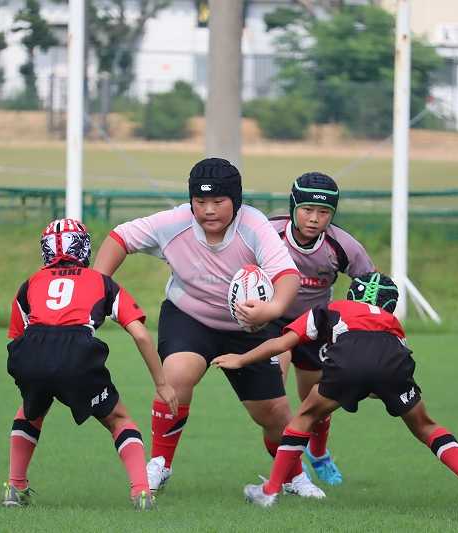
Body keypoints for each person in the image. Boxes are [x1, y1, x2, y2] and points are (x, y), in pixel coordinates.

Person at [93, 157, 324, 498]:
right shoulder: (175, 222)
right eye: (200, 201)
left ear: (236, 201)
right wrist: (97, 289)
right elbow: (120, 238)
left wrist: (272, 309)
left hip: (248, 327)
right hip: (189, 317)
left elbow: (287, 275)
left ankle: (293, 475)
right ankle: (160, 463)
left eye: (218, 201)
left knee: (274, 412)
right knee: (176, 375)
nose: (209, 210)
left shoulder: (254, 225)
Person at [212, 272, 458, 512]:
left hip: (348, 362)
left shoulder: (334, 308)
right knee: (426, 426)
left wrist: (241, 359)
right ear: (389, 304)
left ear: (352, 294)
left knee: (303, 419)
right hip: (393, 362)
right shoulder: (393, 322)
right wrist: (373, 388)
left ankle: (269, 491)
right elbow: (385, 367)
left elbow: (282, 343)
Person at [1, 218, 178, 511]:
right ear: (83, 248)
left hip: (30, 352)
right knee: (119, 419)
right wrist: (162, 383)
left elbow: (17, 336)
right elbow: (141, 335)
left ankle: (14, 486)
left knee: (30, 411)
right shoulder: (101, 282)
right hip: (76, 353)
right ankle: (141, 492)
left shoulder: (30, 283)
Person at [268, 172, 374, 485]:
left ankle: (319, 453)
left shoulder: (342, 246)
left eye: (324, 212)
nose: (314, 219)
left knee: (317, 402)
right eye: (307, 210)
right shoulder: (269, 233)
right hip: (274, 320)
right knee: (274, 395)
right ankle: (292, 468)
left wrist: (359, 326)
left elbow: (370, 286)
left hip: (316, 325)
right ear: (293, 206)